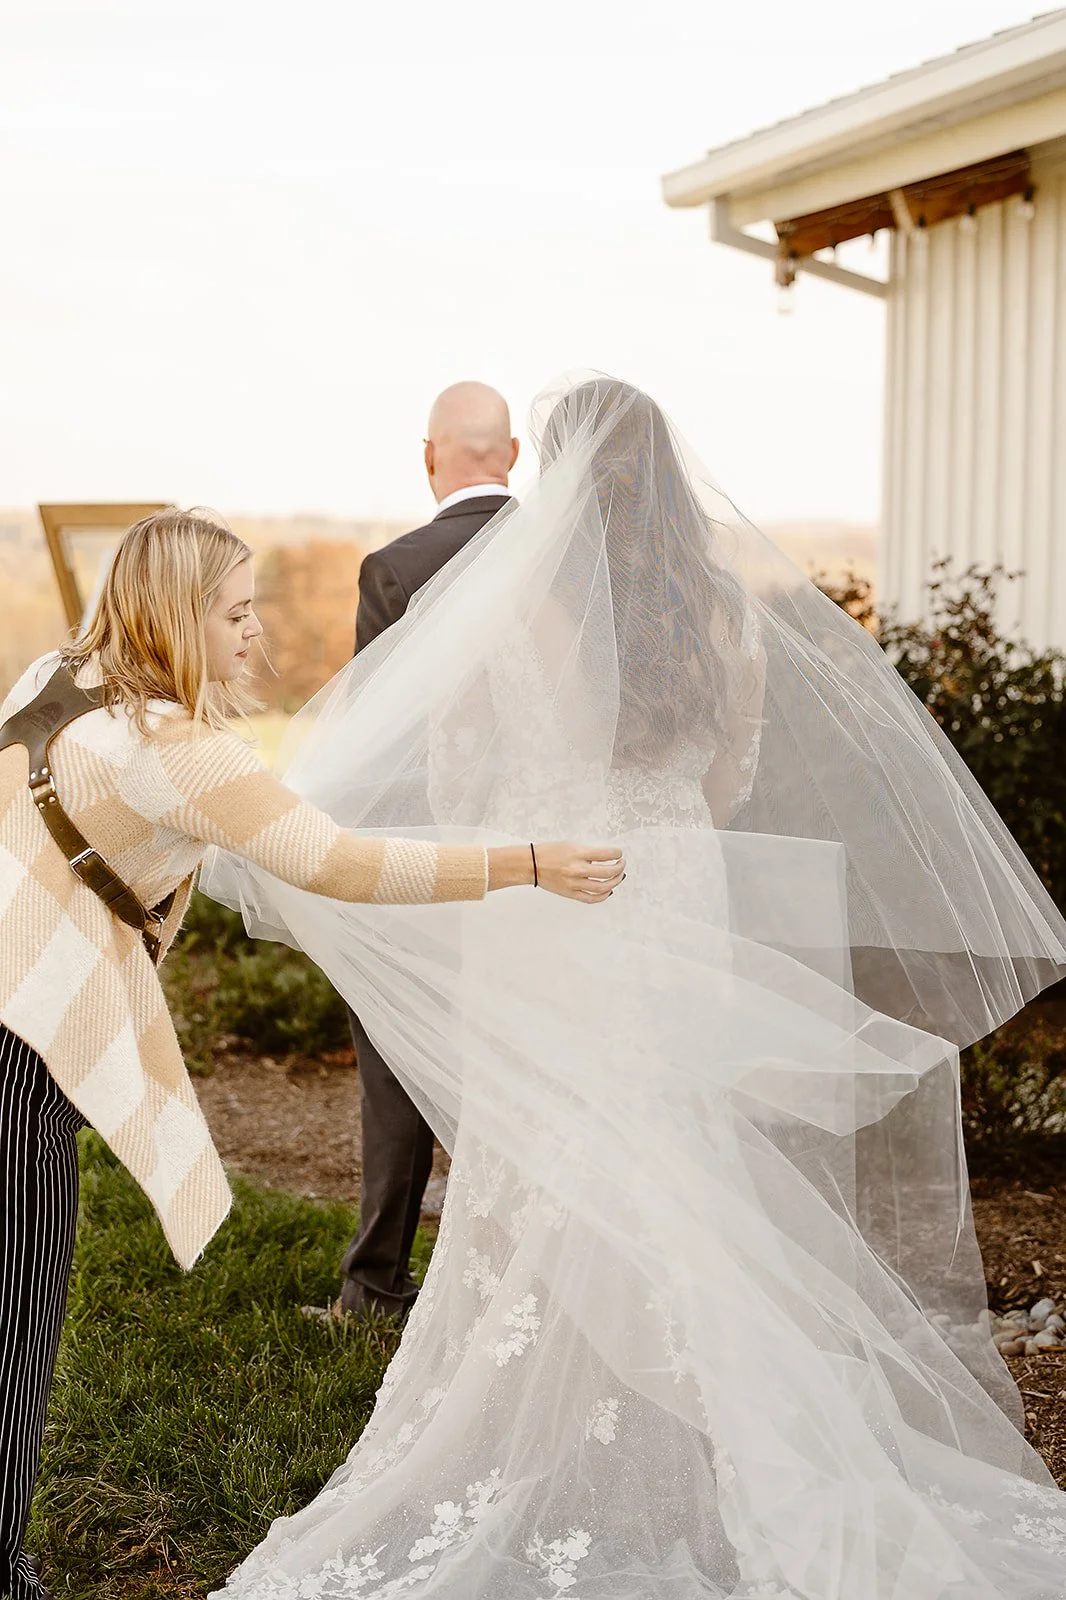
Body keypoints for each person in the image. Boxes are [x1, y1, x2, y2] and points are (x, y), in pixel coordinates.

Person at [209, 376, 1066, 1600]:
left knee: (536, 1171)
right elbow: (725, 786)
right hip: (670, 891)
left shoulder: (512, 604)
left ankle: (544, 1432)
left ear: (554, 474)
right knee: (681, 1155)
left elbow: (459, 784)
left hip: (550, 901)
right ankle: (727, 1435)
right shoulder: (718, 605)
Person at [0, 507, 622, 1600]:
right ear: (176, 615)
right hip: (21, 1045)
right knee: (16, 1320)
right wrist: (523, 861)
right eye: (234, 611)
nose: (255, 630)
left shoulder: (56, 676)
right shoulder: (177, 752)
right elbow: (340, 864)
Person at [331, 381, 520, 1325]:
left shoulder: (397, 569)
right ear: (515, 456)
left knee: (393, 1048)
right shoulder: (573, 563)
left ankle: (375, 1280)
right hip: (556, 853)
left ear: (429, 457)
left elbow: (380, 746)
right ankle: (527, 1278)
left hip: (435, 852)